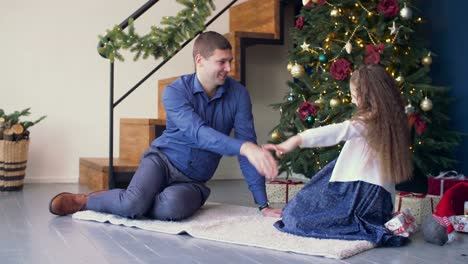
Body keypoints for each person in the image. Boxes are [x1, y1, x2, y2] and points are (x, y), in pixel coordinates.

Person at [49, 31, 282, 220]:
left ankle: (139, 199)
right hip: (161, 161)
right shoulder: (175, 92)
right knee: (132, 205)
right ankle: (87, 201)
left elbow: (248, 150)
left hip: (194, 180)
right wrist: (244, 147)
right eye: (222, 62)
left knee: (170, 209)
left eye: (230, 61)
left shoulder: (238, 94)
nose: (229, 68)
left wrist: (262, 204)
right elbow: (198, 133)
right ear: (199, 60)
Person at [263, 64, 413, 246]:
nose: (353, 99)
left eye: (353, 94)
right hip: (375, 196)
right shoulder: (392, 122)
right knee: (302, 207)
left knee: (296, 216)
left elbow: (335, 132)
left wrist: (296, 139)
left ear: (362, 96)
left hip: (358, 193)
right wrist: (388, 210)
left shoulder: (368, 122)